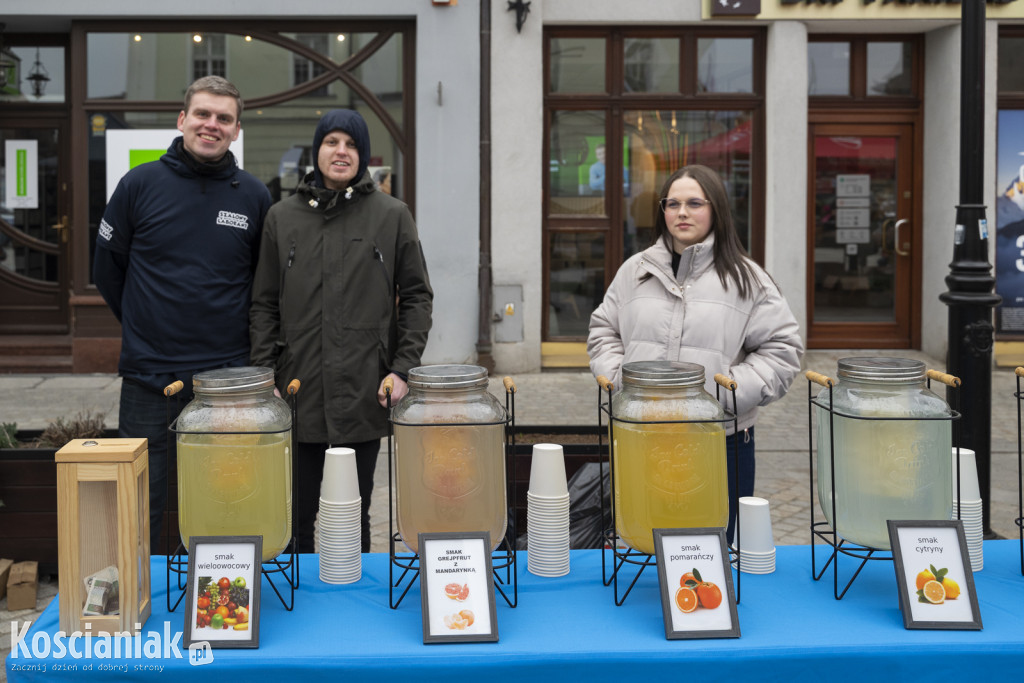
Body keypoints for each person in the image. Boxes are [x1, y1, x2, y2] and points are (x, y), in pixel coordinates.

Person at [93, 76, 273, 553]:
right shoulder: (139, 185)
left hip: (226, 385)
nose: (212, 125)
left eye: (224, 118)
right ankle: (142, 590)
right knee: (141, 498)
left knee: (227, 496)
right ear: (182, 119)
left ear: (236, 130)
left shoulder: (254, 196)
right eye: (202, 114)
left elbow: (263, 286)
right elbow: (107, 271)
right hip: (149, 377)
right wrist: (144, 323)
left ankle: (222, 593)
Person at [587, 164, 803, 540]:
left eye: (694, 203)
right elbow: (604, 330)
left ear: (716, 209)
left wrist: (723, 393)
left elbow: (781, 352)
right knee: (643, 533)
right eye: (672, 204)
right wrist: (623, 381)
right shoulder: (634, 272)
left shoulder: (747, 279)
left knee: (712, 545)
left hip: (720, 437)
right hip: (643, 431)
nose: (682, 213)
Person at [250, 109, 433, 554]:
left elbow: (416, 297)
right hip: (297, 387)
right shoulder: (282, 217)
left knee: (353, 509)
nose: (341, 151)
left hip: (364, 385)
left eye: (351, 144)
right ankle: (300, 591)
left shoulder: (392, 215)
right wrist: (264, 374)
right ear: (317, 151)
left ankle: (351, 588)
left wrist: (402, 369)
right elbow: (263, 303)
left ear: (363, 155)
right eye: (331, 142)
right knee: (295, 513)